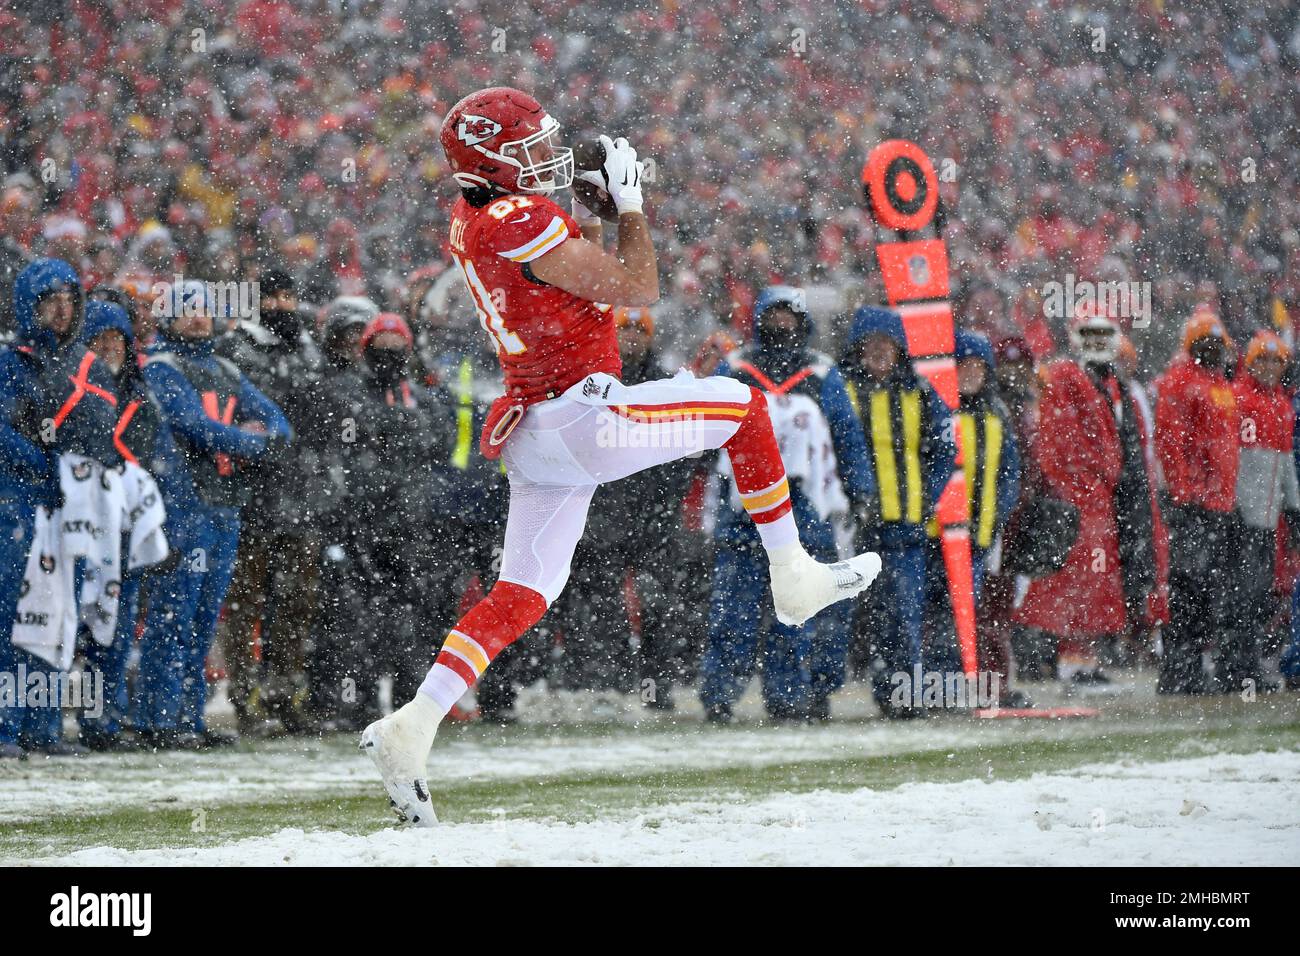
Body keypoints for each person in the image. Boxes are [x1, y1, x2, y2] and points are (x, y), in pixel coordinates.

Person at [361, 87, 881, 826]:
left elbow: (568, 278)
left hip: (537, 430)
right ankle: (792, 575)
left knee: (523, 593)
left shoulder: (479, 214)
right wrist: (631, 207)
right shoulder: (517, 219)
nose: (545, 160)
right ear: (492, 163)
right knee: (746, 408)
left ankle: (412, 727)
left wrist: (600, 210)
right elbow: (639, 285)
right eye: (528, 150)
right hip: (584, 416)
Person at [699, 286, 873, 722]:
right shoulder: (737, 369)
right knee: (732, 613)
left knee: (796, 608)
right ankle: (720, 695)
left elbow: (846, 435)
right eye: (773, 315)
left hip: (803, 511)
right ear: (759, 318)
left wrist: (860, 489)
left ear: (802, 321)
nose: (781, 324)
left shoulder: (822, 373)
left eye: (789, 315)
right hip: (744, 511)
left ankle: (792, 694)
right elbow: (704, 436)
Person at [133, 281, 291, 748]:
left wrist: (261, 440)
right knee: (173, 612)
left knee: (205, 616)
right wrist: (252, 443)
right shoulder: (161, 367)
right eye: (187, 309)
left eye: (204, 308)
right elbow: (191, 424)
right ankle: (159, 719)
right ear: (167, 318)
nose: (198, 317)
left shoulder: (223, 367)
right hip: (183, 505)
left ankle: (190, 719)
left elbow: (278, 421)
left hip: (224, 505)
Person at [0, 259, 121, 757]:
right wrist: (46, 464)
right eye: (51, 301)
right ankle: (6, 727)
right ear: (30, 306)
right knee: (13, 615)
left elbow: (102, 434)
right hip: (19, 501)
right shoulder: (11, 361)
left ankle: (43, 728)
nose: (62, 311)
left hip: (69, 509)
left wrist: (83, 466)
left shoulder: (83, 366)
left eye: (70, 301)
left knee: (62, 613)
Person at [1015, 309, 1155, 686]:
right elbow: (1061, 444)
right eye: (1089, 335)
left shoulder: (1108, 383)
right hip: (1085, 501)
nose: (1097, 343)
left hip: (1100, 500)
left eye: (1103, 335)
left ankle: (1078, 660)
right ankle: (1071, 662)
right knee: (1075, 582)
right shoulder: (1069, 378)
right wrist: (1092, 483)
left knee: (1091, 581)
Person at [216, 269, 324, 733]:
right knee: (245, 604)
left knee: (296, 603)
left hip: (299, 492)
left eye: (289, 296)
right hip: (252, 491)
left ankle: (285, 695)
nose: (283, 306)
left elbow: (321, 410)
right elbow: (247, 409)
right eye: (274, 298)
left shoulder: (307, 348)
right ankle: (245, 700)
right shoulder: (236, 348)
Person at [839, 306, 955, 717]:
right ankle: (813, 695)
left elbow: (946, 450)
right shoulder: (840, 389)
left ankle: (902, 696)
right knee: (839, 614)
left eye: (885, 345)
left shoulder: (920, 393)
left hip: (904, 525)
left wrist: (926, 498)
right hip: (851, 525)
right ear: (858, 348)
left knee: (903, 616)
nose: (878, 352)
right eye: (870, 344)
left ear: (899, 349)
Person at [76, 293, 166, 750]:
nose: (110, 346)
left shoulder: (139, 392)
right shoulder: (78, 385)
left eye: (117, 338)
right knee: (79, 622)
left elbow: (147, 448)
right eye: (100, 338)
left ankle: (105, 719)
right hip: (80, 520)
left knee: (117, 620)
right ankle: (67, 717)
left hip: (124, 523)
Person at [923, 330, 1021, 691]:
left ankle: (949, 684)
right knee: (932, 611)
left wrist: (997, 517)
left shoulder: (997, 414)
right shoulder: (938, 409)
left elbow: (1009, 474)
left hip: (977, 535)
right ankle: (932, 683)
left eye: (978, 368)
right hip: (938, 533)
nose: (971, 374)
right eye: (964, 366)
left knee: (961, 613)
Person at [1153, 309, 1240, 694]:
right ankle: (1179, 670)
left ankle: (1191, 668)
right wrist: (1183, 492)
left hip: (1216, 502)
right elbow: (1171, 442)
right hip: (1193, 505)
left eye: (1216, 342)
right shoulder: (1180, 381)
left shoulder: (1217, 383)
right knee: (1188, 588)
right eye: (1205, 341)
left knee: (1206, 590)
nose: (1212, 348)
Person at [1226, 330, 1297, 692]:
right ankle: (1237, 666)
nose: (1269, 367)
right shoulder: (1240, 399)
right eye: (1263, 360)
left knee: (1257, 595)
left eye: (1275, 360)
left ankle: (1247, 661)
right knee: (1240, 594)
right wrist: (1232, 503)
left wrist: (1293, 508)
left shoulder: (1281, 405)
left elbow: (1284, 464)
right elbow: (1233, 458)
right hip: (1245, 514)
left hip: (1268, 518)